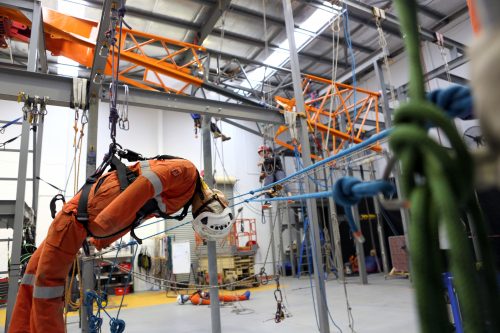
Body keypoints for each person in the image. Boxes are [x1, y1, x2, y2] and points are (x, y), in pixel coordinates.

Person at [8, 157, 233, 333]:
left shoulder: (181, 199)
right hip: (77, 220)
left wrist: (102, 238)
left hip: (80, 224)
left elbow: (139, 212)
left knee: (33, 277)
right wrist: (103, 227)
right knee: (47, 287)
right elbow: (142, 187)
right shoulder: (186, 172)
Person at [257, 145, 291, 209]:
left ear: (267, 152)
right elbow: (263, 173)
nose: (262, 155)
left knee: (281, 179)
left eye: (263, 153)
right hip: (272, 179)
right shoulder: (264, 163)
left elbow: (273, 160)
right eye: (260, 154)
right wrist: (261, 177)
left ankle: (290, 196)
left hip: (278, 174)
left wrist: (263, 162)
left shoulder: (275, 156)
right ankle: (268, 203)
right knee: (267, 185)